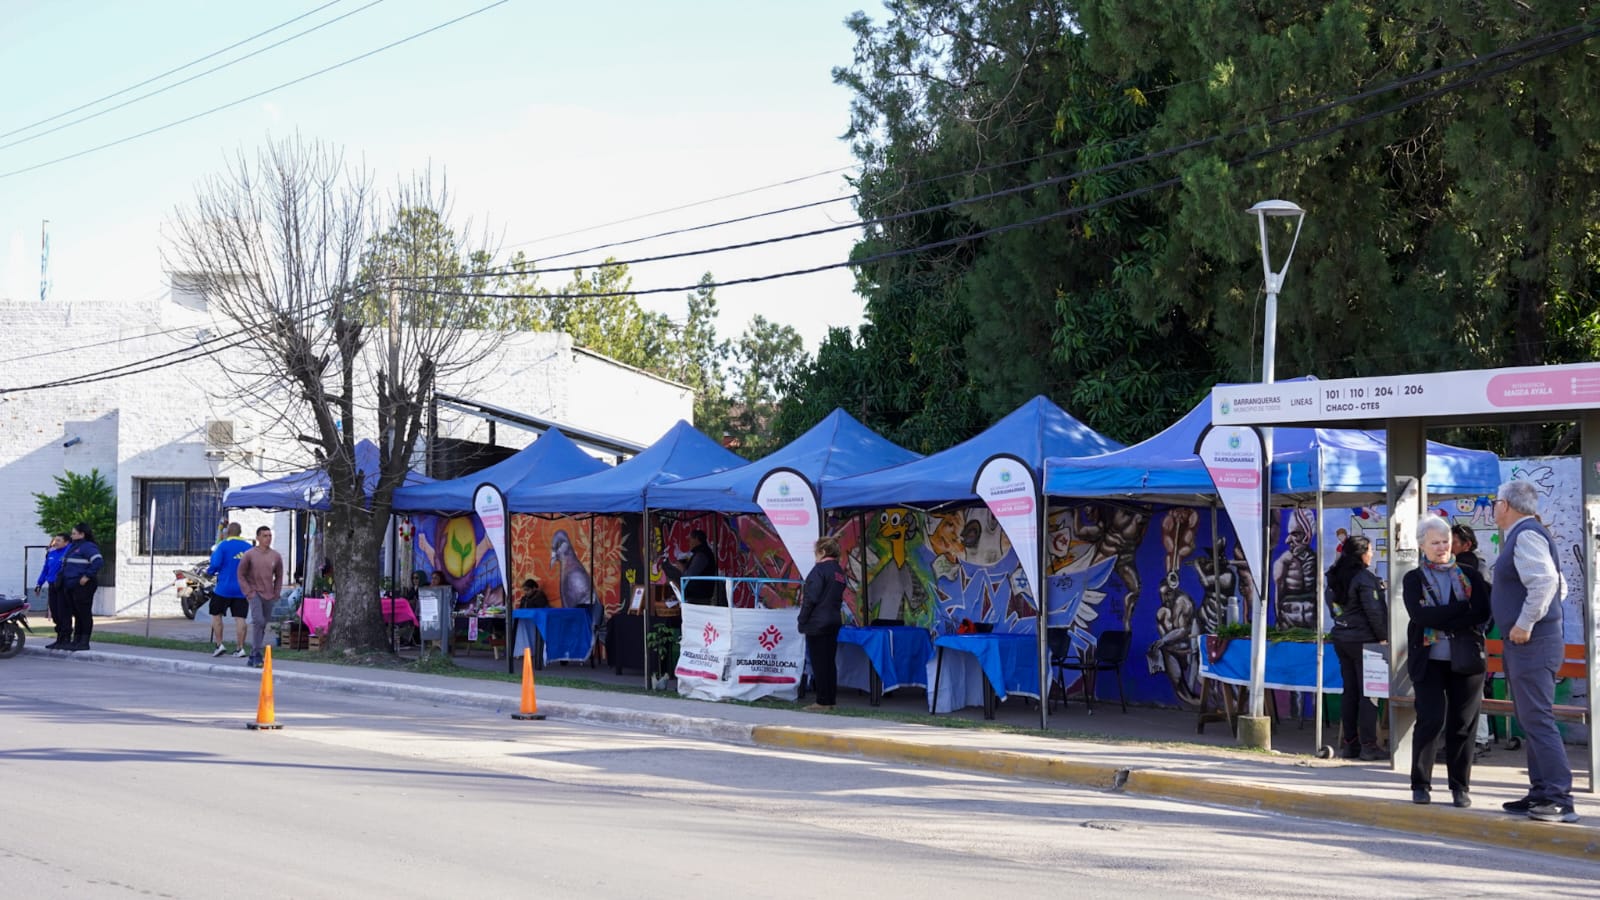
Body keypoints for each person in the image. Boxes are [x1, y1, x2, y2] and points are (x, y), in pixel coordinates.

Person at [1492, 480, 1579, 823]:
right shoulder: (1527, 533)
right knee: (1531, 720)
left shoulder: (1525, 534)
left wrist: (1526, 623)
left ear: (1508, 505)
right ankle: (1541, 793)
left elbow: (1546, 583)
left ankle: (1559, 797)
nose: (1495, 507)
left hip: (1532, 643)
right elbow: (1560, 584)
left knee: (1538, 721)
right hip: (1530, 644)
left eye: (1496, 502)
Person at [1403, 515, 1492, 807]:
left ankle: (1460, 786)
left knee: (1463, 724)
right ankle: (1420, 784)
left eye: (1445, 541)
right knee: (1430, 720)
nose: (1442, 547)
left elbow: (1480, 613)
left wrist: (1444, 615)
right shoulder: (1413, 578)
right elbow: (1420, 616)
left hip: (1465, 659)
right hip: (1429, 659)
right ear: (1421, 546)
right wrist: (1459, 610)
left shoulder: (1470, 574)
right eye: (1435, 543)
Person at [1324, 534, 1389, 761]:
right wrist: (1383, 638)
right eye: (1370, 550)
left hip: (1342, 639)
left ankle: (1350, 744)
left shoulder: (1333, 577)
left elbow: (1335, 610)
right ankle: (1369, 745)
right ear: (1361, 554)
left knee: (1350, 691)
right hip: (1366, 641)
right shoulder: (1364, 578)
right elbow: (1374, 611)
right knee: (1369, 693)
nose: (1372, 554)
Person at [796, 537, 847, 712]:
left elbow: (811, 598)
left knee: (819, 663)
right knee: (829, 662)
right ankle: (830, 699)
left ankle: (822, 702)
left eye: (816, 552)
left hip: (817, 621)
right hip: (833, 619)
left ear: (823, 552)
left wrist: (802, 619)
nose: (814, 556)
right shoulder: (839, 571)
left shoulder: (819, 570)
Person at [235, 525, 285, 669]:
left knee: (263, 624)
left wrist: (277, 591)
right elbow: (241, 574)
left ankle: (253, 655)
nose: (268, 538)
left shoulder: (275, 556)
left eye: (269, 535)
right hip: (254, 593)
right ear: (258, 538)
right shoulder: (250, 554)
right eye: (264, 536)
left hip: (269, 594)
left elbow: (280, 575)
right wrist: (248, 592)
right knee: (258, 620)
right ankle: (256, 653)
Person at [205, 523, 254, 659]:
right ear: (240, 532)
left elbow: (215, 564)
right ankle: (240, 648)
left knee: (216, 614)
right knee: (240, 618)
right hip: (241, 589)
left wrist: (209, 572)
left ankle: (219, 644)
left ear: (228, 533)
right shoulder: (249, 547)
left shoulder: (223, 545)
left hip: (223, 589)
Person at [55, 523, 105, 651]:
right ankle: (76, 640)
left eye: (74, 533)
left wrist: (87, 576)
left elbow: (98, 561)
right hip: (71, 585)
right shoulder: (74, 547)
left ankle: (84, 641)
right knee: (77, 614)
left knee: (84, 614)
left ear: (82, 534)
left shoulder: (88, 546)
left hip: (83, 585)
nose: (71, 535)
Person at [659, 529, 722, 605]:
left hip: (699, 597)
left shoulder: (701, 555)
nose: (688, 542)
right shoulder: (701, 553)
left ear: (697, 539)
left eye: (690, 539)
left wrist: (680, 567)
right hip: (698, 595)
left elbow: (690, 575)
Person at [35, 532, 70, 649]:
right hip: (52, 586)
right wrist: (39, 584)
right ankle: (59, 638)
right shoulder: (51, 553)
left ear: (66, 542)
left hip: (63, 586)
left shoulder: (69, 552)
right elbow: (45, 570)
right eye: (55, 540)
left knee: (63, 612)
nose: (55, 542)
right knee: (55, 613)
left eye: (59, 540)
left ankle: (65, 638)